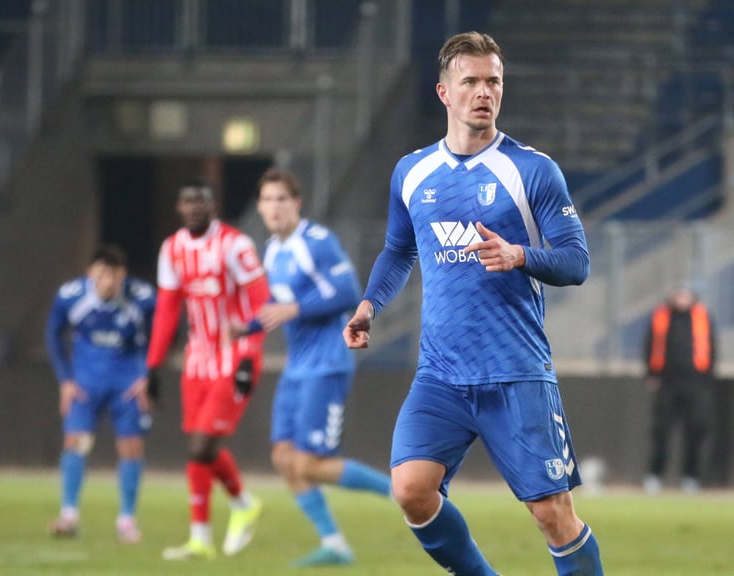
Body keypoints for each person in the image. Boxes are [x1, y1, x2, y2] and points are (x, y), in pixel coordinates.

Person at [343, 31, 604, 576]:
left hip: (516, 372)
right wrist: (370, 304)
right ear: (444, 92)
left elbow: (577, 262)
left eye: (494, 81)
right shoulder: (412, 173)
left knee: (552, 513)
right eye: (472, 82)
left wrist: (520, 255)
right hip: (441, 374)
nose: (485, 92)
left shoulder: (531, 170)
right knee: (411, 489)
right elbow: (398, 248)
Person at [237, 167, 392, 567]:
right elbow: (274, 310)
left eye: (281, 199)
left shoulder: (317, 242)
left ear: (296, 204)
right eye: (267, 200)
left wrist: (296, 308)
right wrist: (241, 328)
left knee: (310, 463)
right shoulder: (273, 250)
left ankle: (400, 491)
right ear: (259, 207)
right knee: (284, 458)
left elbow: (347, 292)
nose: (274, 207)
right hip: (297, 367)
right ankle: (335, 544)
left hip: (326, 363)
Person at [146, 180, 270, 560]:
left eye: (201, 201)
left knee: (202, 445)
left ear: (213, 205)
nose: (194, 207)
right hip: (196, 359)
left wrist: (250, 354)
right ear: (178, 207)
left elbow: (261, 300)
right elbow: (168, 309)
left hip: (234, 356)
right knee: (197, 450)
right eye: (187, 201)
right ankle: (201, 537)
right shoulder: (172, 249)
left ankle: (243, 503)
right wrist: (152, 364)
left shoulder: (236, 245)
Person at [45, 245, 156, 544]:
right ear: (90, 273)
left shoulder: (142, 298)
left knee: (131, 447)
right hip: (86, 385)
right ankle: (69, 514)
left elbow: (161, 335)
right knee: (76, 443)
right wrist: (65, 380)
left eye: (114, 274)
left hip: (126, 386)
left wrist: (147, 376)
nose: (108, 280)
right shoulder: (71, 297)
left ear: (123, 275)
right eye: (102, 273)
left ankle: (127, 519)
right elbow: (53, 335)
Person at [641, 283, 717, 495]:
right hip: (667, 383)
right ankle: (655, 476)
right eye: (679, 294)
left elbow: (711, 347)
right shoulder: (661, 316)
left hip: (695, 382)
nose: (682, 299)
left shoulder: (703, 316)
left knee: (695, 430)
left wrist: (708, 379)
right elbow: (650, 345)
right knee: (661, 431)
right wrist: (651, 374)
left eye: (686, 295)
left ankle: (690, 478)